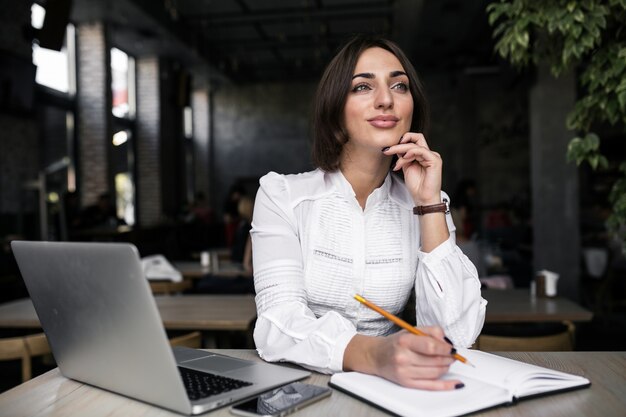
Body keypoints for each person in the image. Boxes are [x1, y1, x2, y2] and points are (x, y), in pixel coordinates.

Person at [250, 35, 486, 391]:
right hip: (300, 386)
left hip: (399, 392)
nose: (386, 99)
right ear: (335, 111)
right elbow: (276, 322)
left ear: (412, 110)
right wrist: (376, 355)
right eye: (363, 86)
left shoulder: (428, 203)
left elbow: (456, 336)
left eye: (399, 85)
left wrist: (428, 203)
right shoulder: (281, 196)